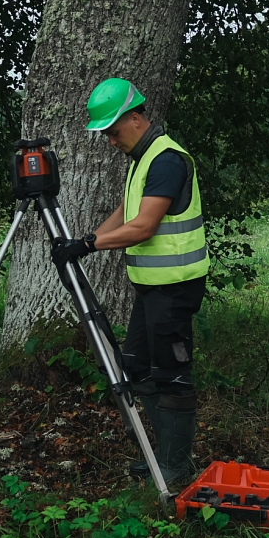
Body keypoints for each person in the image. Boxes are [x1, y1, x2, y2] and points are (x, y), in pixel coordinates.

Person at [50, 77, 209, 483]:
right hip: (152, 289)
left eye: (113, 131)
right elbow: (126, 211)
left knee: (171, 374)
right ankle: (163, 455)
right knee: (136, 365)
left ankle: (175, 465)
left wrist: (88, 244)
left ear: (135, 118)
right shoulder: (144, 158)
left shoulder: (167, 159)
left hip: (173, 290)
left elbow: (143, 227)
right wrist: (81, 241)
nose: (109, 140)